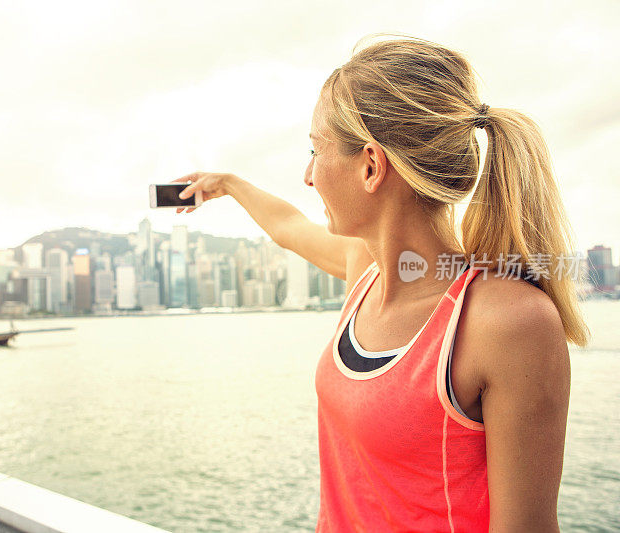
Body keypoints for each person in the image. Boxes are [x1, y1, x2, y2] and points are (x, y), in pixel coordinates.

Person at [173, 35, 589, 532]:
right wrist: (230, 184)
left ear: (371, 166)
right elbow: (288, 227)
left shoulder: (505, 322)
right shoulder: (363, 273)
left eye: (315, 150)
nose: (308, 176)